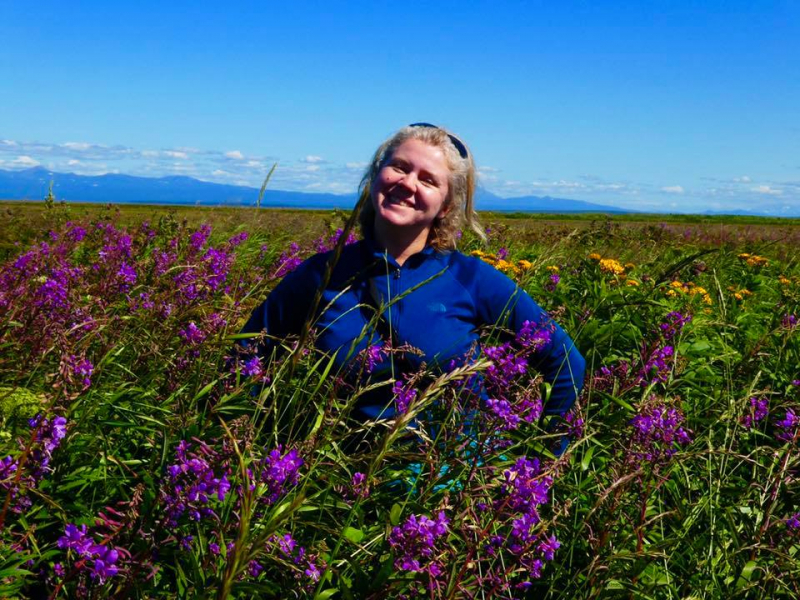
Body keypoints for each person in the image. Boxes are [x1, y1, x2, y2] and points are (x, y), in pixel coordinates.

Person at [240, 123, 585, 431]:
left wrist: (538, 466)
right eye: (399, 167)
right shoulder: (321, 274)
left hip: (449, 486)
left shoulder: (471, 277)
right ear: (376, 176)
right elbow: (244, 356)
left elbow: (567, 362)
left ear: (446, 206)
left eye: (428, 179)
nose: (407, 183)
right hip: (338, 480)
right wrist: (246, 446)